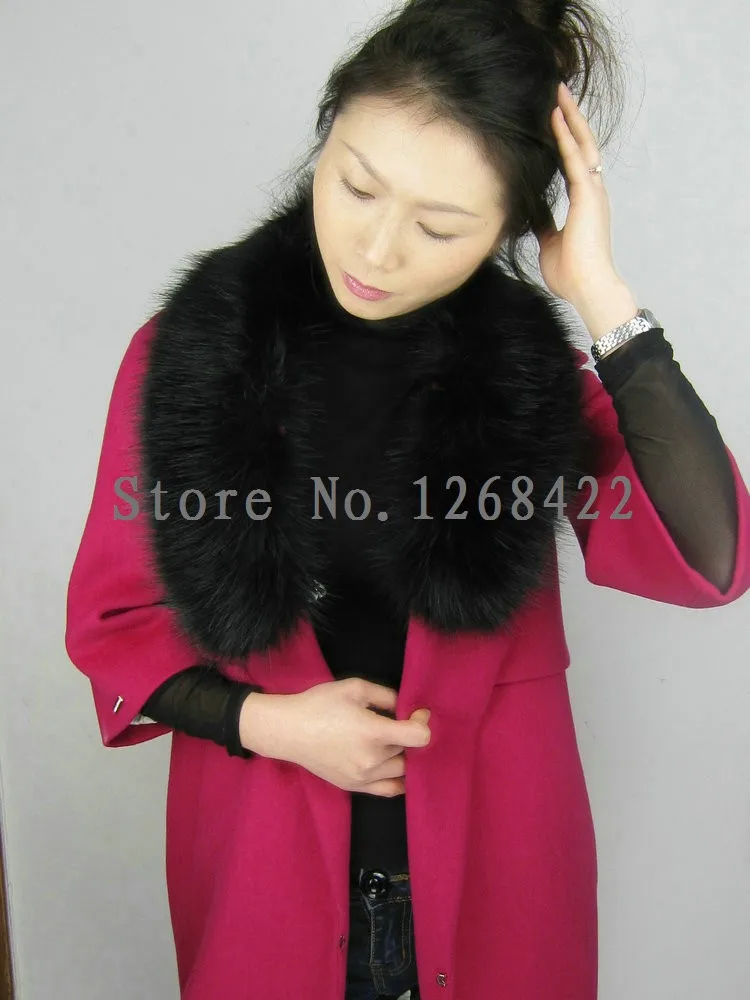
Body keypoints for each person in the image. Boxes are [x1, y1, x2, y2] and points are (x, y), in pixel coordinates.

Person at [64, 1, 750, 998]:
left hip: (502, 873)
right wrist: (273, 724)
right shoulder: (188, 356)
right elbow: (115, 629)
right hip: (266, 866)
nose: (377, 250)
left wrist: (601, 295)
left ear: (508, 228)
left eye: (438, 226)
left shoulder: (532, 379)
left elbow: (714, 559)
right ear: (324, 136)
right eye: (355, 185)